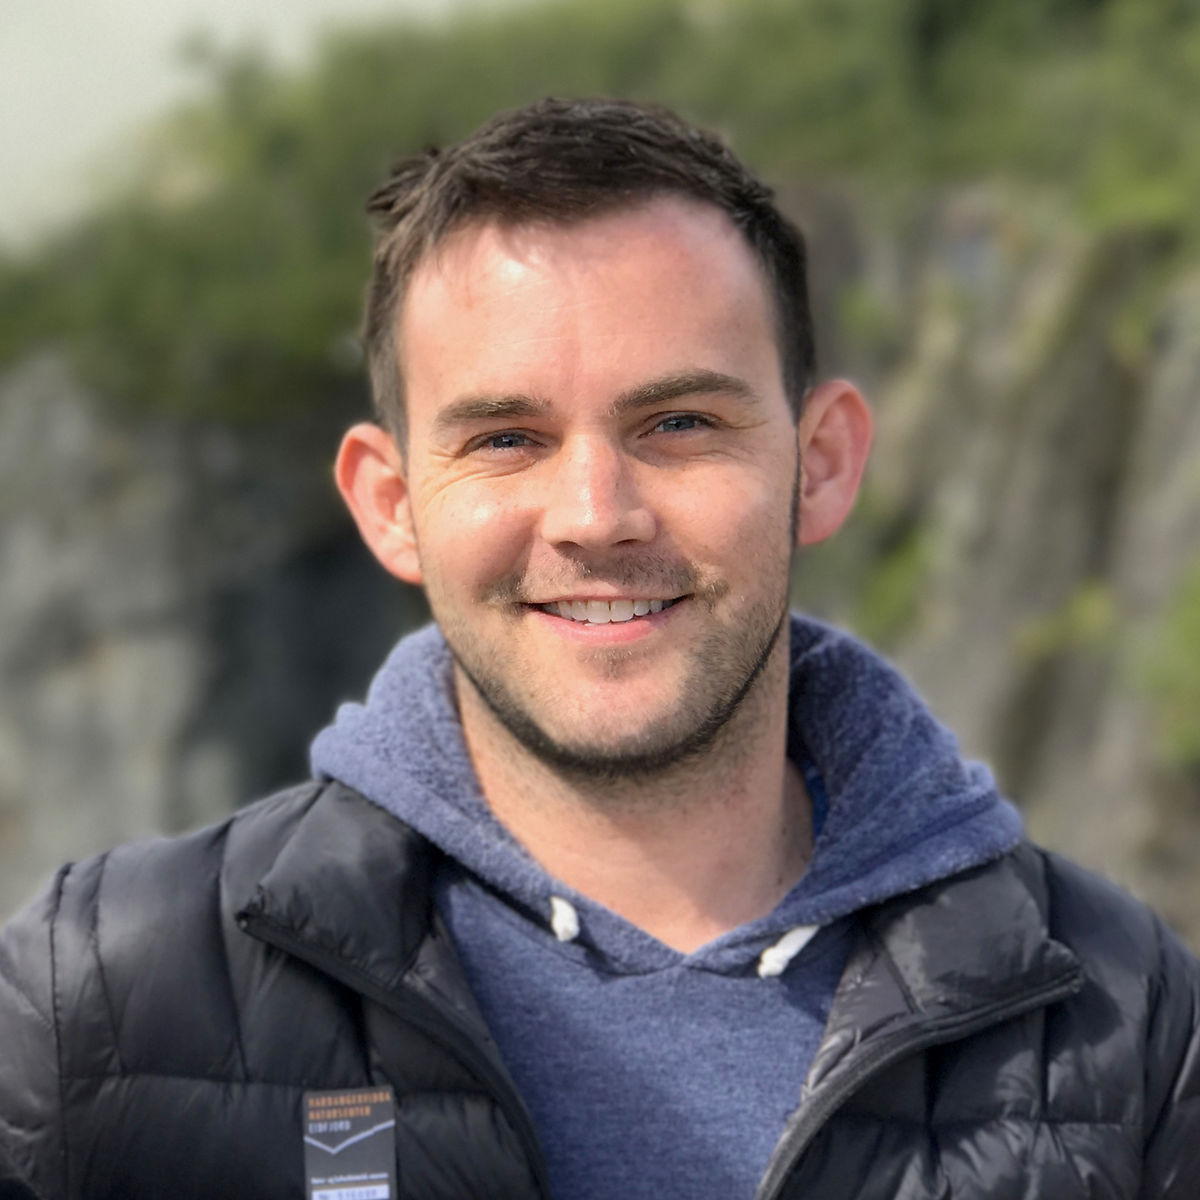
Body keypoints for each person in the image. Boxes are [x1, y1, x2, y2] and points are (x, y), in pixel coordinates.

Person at [1, 96, 1198, 1200]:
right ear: (391, 503)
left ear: (821, 464)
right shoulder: (102, 1002)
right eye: (506, 439)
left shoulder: (1124, 1026)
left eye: (678, 422)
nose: (594, 515)